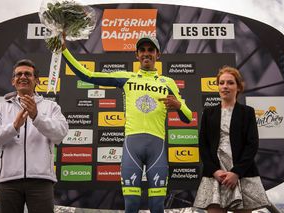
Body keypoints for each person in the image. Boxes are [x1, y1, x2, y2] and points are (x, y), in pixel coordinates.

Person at [61, 35, 192, 213]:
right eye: (142, 50)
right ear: (136, 55)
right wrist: (64, 51)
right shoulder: (126, 77)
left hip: (157, 150)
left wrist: (178, 105)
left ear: (158, 54)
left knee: (157, 206)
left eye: (150, 50)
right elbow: (88, 75)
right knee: (130, 205)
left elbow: (188, 116)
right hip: (132, 148)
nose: (146, 54)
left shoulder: (167, 82)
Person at [0, 59, 69, 213]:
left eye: (28, 74)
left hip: (41, 180)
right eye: (19, 74)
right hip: (8, 181)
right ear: (13, 81)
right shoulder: (0, 108)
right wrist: (14, 127)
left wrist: (37, 117)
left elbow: (60, 134)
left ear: (36, 80)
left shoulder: (51, 106)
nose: (23, 77)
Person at [194, 66, 269, 212]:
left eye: (230, 83)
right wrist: (214, 171)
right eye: (221, 83)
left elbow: (252, 144)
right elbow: (203, 146)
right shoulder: (209, 113)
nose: (225, 87)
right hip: (214, 176)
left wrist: (236, 172)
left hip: (242, 175)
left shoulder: (247, 112)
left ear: (238, 87)